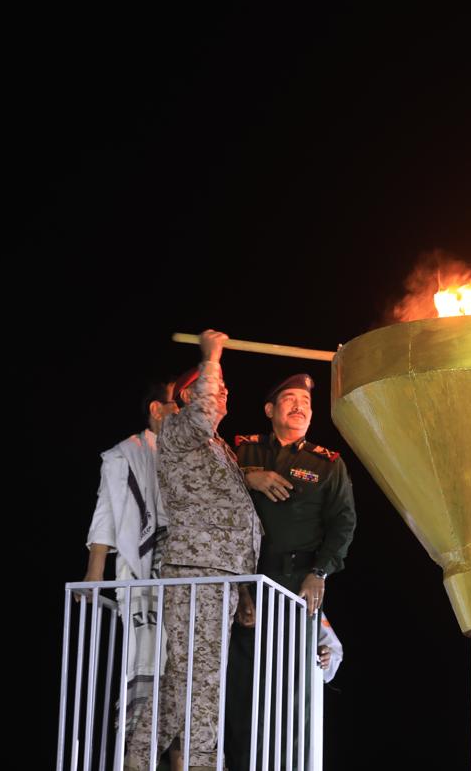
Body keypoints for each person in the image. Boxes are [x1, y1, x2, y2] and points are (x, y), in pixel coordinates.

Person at [126, 330, 263, 771]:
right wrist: (211, 356)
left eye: (223, 386)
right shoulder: (180, 430)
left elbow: (233, 515)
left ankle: (137, 757)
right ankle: (198, 763)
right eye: (214, 386)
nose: (222, 393)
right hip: (196, 571)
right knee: (199, 681)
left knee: (188, 681)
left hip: (216, 573)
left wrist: (242, 590)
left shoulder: (213, 446)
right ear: (189, 394)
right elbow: (205, 411)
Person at [223, 372, 356, 771]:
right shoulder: (240, 452)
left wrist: (320, 572)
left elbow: (343, 524)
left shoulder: (327, 463)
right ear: (270, 409)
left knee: (292, 689)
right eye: (290, 399)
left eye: (306, 402)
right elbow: (212, 490)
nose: (300, 406)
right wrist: (251, 479)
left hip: (297, 586)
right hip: (244, 581)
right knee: (242, 689)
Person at [80, 378, 178, 733]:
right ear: (156, 410)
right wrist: (94, 574)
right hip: (141, 565)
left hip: (182, 568)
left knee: (181, 666)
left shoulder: (188, 453)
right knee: (145, 657)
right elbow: (105, 514)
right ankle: (138, 745)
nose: (182, 413)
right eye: (176, 405)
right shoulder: (126, 453)